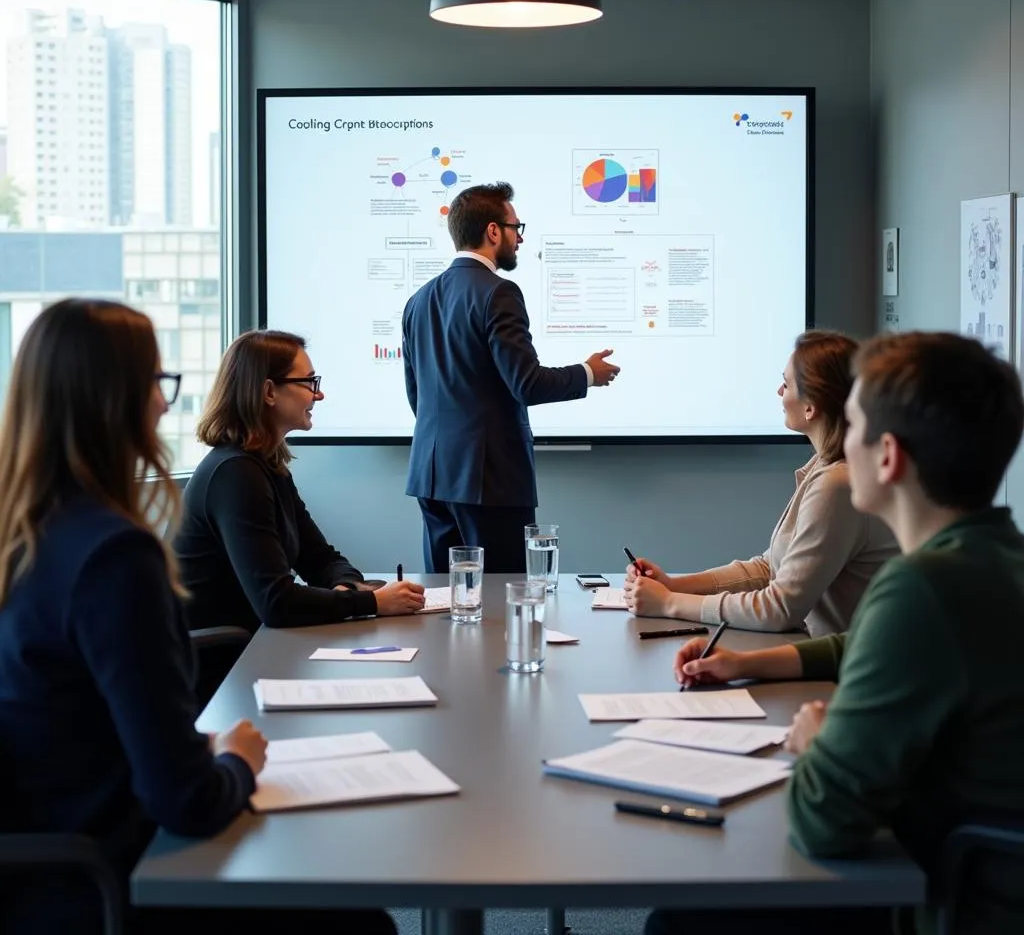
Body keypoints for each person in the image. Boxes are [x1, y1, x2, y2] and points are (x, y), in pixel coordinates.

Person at [0, 299, 394, 934]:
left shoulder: (27, 536)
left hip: (47, 866)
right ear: (113, 399)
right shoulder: (114, 557)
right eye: (155, 383)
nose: (164, 404)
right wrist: (236, 758)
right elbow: (186, 801)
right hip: (115, 877)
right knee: (361, 923)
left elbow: (81, 727)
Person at [651, 331, 1024, 935]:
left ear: (888, 456)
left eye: (852, 426)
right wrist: (754, 664)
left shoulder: (921, 589)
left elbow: (823, 820)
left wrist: (817, 740)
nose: (842, 450)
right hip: (980, 869)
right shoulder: (993, 561)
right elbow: (862, 644)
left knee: (679, 921)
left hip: (948, 899)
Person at [402, 181, 621, 573]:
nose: (520, 238)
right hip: (489, 479)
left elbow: (417, 394)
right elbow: (527, 383)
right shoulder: (498, 292)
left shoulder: (418, 300)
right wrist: (588, 373)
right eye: (516, 227)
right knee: (503, 601)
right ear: (492, 231)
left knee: (441, 601)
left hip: (431, 474)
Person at [625, 330, 897, 635]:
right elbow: (770, 569)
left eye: (787, 383)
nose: (780, 392)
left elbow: (779, 609)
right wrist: (674, 585)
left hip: (835, 673)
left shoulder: (837, 484)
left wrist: (670, 603)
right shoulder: (825, 467)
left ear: (811, 407)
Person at [175, 329, 424, 631]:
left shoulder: (266, 466)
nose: (318, 394)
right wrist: (373, 603)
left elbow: (321, 558)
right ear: (268, 392)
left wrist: (346, 585)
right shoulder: (235, 475)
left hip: (259, 646)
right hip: (227, 662)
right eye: (309, 382)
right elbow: (276, 603)